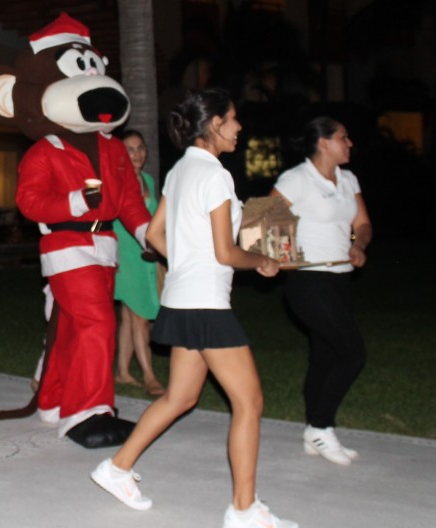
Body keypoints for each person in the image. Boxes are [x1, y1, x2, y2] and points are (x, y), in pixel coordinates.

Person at [91, 89, 297, 528]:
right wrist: (261, 260)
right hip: (205, 303)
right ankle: (244, 509)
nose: (240, 127)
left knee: (181, 396)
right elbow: (226, 252)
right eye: (234, 119)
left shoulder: (180, 171)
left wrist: (185, 260)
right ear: (215, 124)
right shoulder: (216, 176)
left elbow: (155, 234)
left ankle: (116, 468)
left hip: (181, 300)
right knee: (250, 402)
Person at [272, 116, 372, 466]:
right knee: (352, 352)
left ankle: (313, 432)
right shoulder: (296, 179)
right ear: (324, 143)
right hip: (308, 280)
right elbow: (265, 220)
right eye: (344, 138)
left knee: (326, 355)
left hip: (341, 279)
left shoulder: (348, 179)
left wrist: (358, 245)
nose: (350, 144)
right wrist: (277, 259)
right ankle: (321, 425)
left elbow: (362, 223)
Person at [112, 129, 165, 397]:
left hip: (146, 257)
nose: (137, 154)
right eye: (130, 149)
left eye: (141, 148)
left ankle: (122, 370)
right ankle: (149, 376)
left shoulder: (147, 180)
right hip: (125, 256)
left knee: (129, 316)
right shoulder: (116, 180)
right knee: (140, 317)